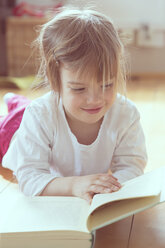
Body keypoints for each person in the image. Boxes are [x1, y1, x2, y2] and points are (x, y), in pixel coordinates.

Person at [0, 7, 147, 204]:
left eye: (107, 85)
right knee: (10, 128)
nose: (95, 99)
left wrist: (105, 189)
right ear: (55, 81)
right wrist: (74, 185)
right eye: (79, 89)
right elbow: (29, 178)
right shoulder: (40, 115)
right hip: (18, 129)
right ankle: (14, 103)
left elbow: (132, 167)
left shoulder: (126, 114)